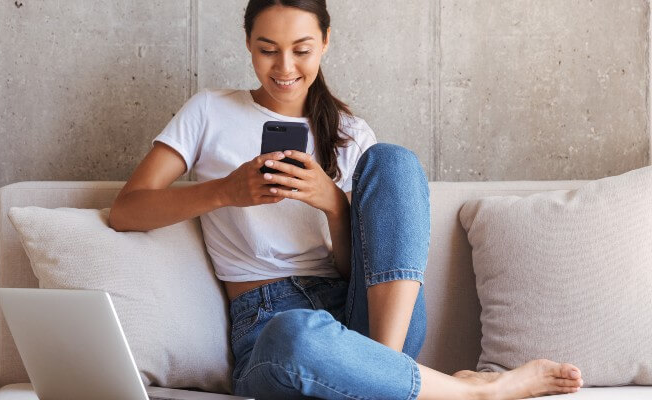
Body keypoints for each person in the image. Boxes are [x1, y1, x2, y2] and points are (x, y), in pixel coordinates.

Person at [109, 1, 585, 398]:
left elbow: (357, 268)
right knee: (294, 333)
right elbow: (127, 210)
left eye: (302, 50)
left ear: (326, 42)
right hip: (270, 325)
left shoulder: (350, 134)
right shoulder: (209, 111)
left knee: (394, 160)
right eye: (267, 51)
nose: (285, 68)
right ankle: (467, 391)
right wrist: (225, 191)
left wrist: (334, 205)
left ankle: (382, 372)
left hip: (373, 321)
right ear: (248, 43)